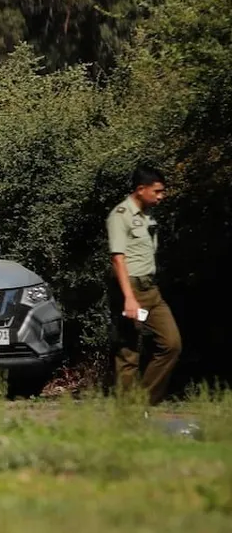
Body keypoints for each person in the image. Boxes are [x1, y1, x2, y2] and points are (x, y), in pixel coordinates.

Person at [105, 163, 181, 406]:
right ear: (140, 189)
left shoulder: (147, 214)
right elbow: (118, 258)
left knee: (171, 344)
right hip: (131, 289)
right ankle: (129, 412)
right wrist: (129, 297)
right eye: (157, 191)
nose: (161, 196)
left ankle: (144, 401)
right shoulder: (120, 216)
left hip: (151, 290)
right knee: (128, 351)